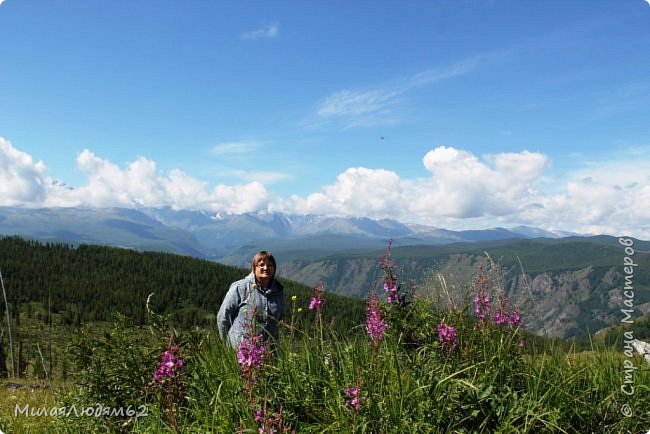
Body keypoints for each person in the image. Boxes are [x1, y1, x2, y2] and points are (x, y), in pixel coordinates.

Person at [217, 251, 284, 348]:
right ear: (254, 268)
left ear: (274, 268)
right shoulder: (240, 287)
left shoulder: (278, 291)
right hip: (240, 351)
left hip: (269, 353)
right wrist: (225, 345)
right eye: (261, 265)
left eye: (269, 265)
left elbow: (278, 321)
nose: (265, 268)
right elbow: (222, 317)